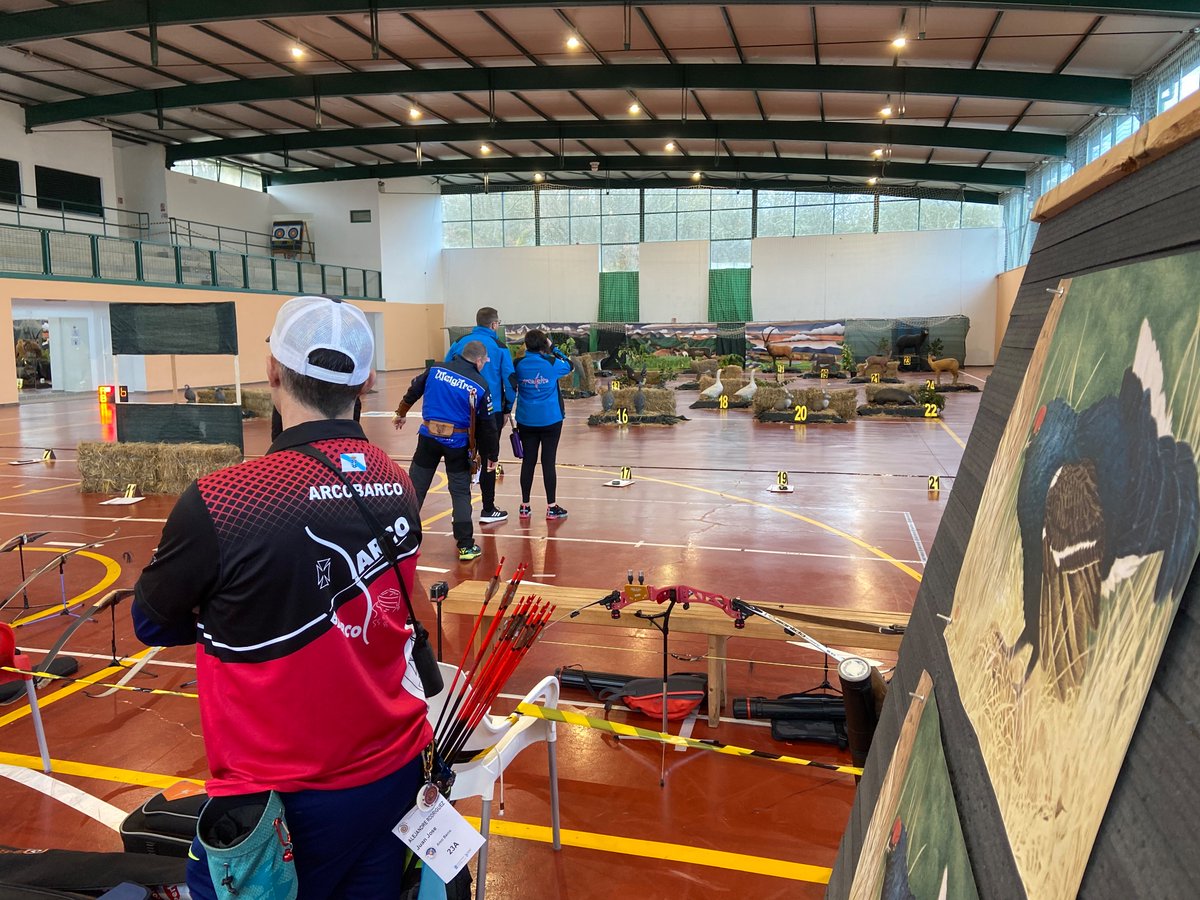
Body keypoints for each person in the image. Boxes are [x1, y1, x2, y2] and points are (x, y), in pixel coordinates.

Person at [131, 295, 432, 898]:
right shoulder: (396, 482)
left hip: (280, 804)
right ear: (367, 383)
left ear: (273, 372)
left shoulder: (223, 499)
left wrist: (243, 609)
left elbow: (150, 621)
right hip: (394, 773)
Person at [394, 340, 499, 561]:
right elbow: (488, 426)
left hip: (428, 438)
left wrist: (401, 412)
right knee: (460, 493)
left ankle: (401, 542)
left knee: (415, 489)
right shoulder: (480, 384)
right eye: (484, 362)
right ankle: (465, 546)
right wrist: (492, 456)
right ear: (479, 360)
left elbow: (414, 389)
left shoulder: (436, 369)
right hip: (457, 444)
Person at [445, 307, 516, 525]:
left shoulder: (459, 342)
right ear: (494, 324)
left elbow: (446, 371)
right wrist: (507, 409)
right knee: (489, 459)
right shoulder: (500, 347)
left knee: (458, 459)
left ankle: (460, 512)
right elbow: (510, 382)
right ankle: (488, 508)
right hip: (489, 413)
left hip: (459, 412)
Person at [514, 329, 572, 520]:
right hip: (550, 420)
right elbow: (570, 364)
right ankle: (551, 506)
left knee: (528, 461)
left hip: (526, 420)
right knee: (548, 462)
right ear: (544, 345)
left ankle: (525, 506)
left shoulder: (518, 364)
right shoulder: (552, 362)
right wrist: (554, 348)